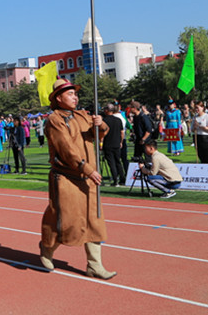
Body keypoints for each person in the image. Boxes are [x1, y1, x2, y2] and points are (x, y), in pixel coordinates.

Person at [39, 78, 115, 279]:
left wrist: (101, 125)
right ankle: (47, 248)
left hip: (89, 178)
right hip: (67, 178)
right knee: (66, 223)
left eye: (75, 93)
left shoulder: (83, 115)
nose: (75, 97)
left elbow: (97, 136)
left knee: (94, 221)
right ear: (58, 98)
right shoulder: (54, 120)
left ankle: (94, 265)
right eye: (70, 93)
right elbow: (66, 149)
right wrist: (88, 168)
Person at [101, 104, 125, 187]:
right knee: (118, 161)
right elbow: (122, 132)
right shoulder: (118, 120)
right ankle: (122, 179)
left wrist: (101, 144)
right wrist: (121, 142)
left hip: (108, 144)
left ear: (107, 110)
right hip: (117, 143)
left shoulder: (104, 121)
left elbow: (102, 134)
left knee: (111, 163)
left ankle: (115, 180)